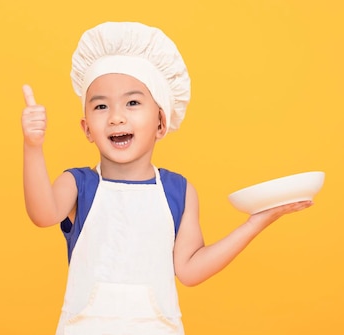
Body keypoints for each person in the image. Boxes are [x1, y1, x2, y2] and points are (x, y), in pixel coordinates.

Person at [20, 22, 313, 335]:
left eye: (132, 103)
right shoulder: (78, 184)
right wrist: (33, 147)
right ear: (87, 128)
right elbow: (43, 214)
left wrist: (256, 222)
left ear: (161, 122)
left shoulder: (179, 191)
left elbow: (189, 269)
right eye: (101, 106)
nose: (116, 116)